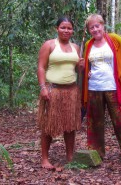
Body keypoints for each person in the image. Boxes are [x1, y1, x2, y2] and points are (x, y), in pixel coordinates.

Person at [82, 14, 121, 168]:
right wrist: (87, 71)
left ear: (103, 25)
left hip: (112, 87)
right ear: (89, 30)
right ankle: (96, 153)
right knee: (95, 123)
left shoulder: (114, 40)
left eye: (97, 25)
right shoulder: (88, 45)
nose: (95, 29)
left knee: (120, 121)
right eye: (92, 27)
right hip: (94, 88)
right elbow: (87, 65)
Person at [37, 17, 84, 169]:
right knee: (49, 125)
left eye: (69, 28)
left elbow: (77, 70)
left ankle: (70, 156)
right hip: (53, 90)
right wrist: (43, 87)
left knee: (70, 125)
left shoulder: (76, 48)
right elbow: (41, 67)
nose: (66, 30)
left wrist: (81, 67)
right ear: (56, 28)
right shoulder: (49, 45)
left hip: (71, 91)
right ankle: (45, 158)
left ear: (72, 30)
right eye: (63, 27)